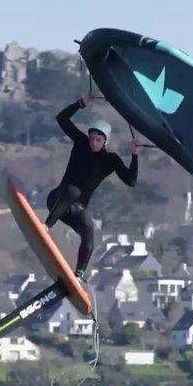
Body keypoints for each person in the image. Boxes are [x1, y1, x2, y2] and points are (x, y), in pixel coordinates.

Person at [45, 92, 140, 279]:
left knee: (89, 231)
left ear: (105, 141)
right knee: (73, 190)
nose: (93, 143)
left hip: (77, 210)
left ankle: (79, 275)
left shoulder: (110, 160)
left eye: (98, 140)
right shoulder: (80, 143)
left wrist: (135, 154)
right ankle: (46, 227)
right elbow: (61, 119)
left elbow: (131, 181)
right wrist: (80, 103)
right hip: (57, 199)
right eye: (92, 138)